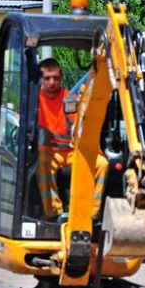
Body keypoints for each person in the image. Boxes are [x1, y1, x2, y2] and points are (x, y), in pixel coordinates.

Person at [35, 58, 109, 221]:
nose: (52, 82)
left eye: (55, 78)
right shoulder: (35, 101)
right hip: (50, 152)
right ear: (40, 79)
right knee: (42, 164)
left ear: (60, 78)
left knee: (102, 164)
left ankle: (91, 214)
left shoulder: (69, 98)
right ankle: (54, 212)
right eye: (47, 78)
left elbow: (80, 125)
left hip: (72, 150)